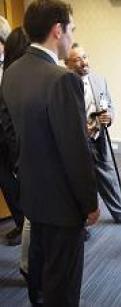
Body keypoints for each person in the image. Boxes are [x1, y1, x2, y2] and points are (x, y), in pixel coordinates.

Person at [1, 1, 100, 306]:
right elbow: (75, 151)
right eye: (71, 30)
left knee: (41, 274)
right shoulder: (61, 79)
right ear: (58, 30)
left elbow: (15, 134)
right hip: (62, 204)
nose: (71, 38)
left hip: (31, 195)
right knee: (63, 285)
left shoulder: (13, 71)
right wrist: (89, 202)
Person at [65, 44, 121, 230]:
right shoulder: (62, 84)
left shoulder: (99, 80)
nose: (84, 62)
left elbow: (109, 106)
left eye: (85, 57)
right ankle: (79, 224)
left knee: (108, 176)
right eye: (77, 59)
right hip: (75, 144)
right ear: (67, 63)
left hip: (98, 138)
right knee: (78, 183)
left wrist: (109, 117)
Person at [0, 27, 31, 247]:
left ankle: (28, 227)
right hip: (3, 136)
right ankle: (22, 223)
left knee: (26, 181)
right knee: (6, 181)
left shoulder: (17, 69)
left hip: (15, 137)